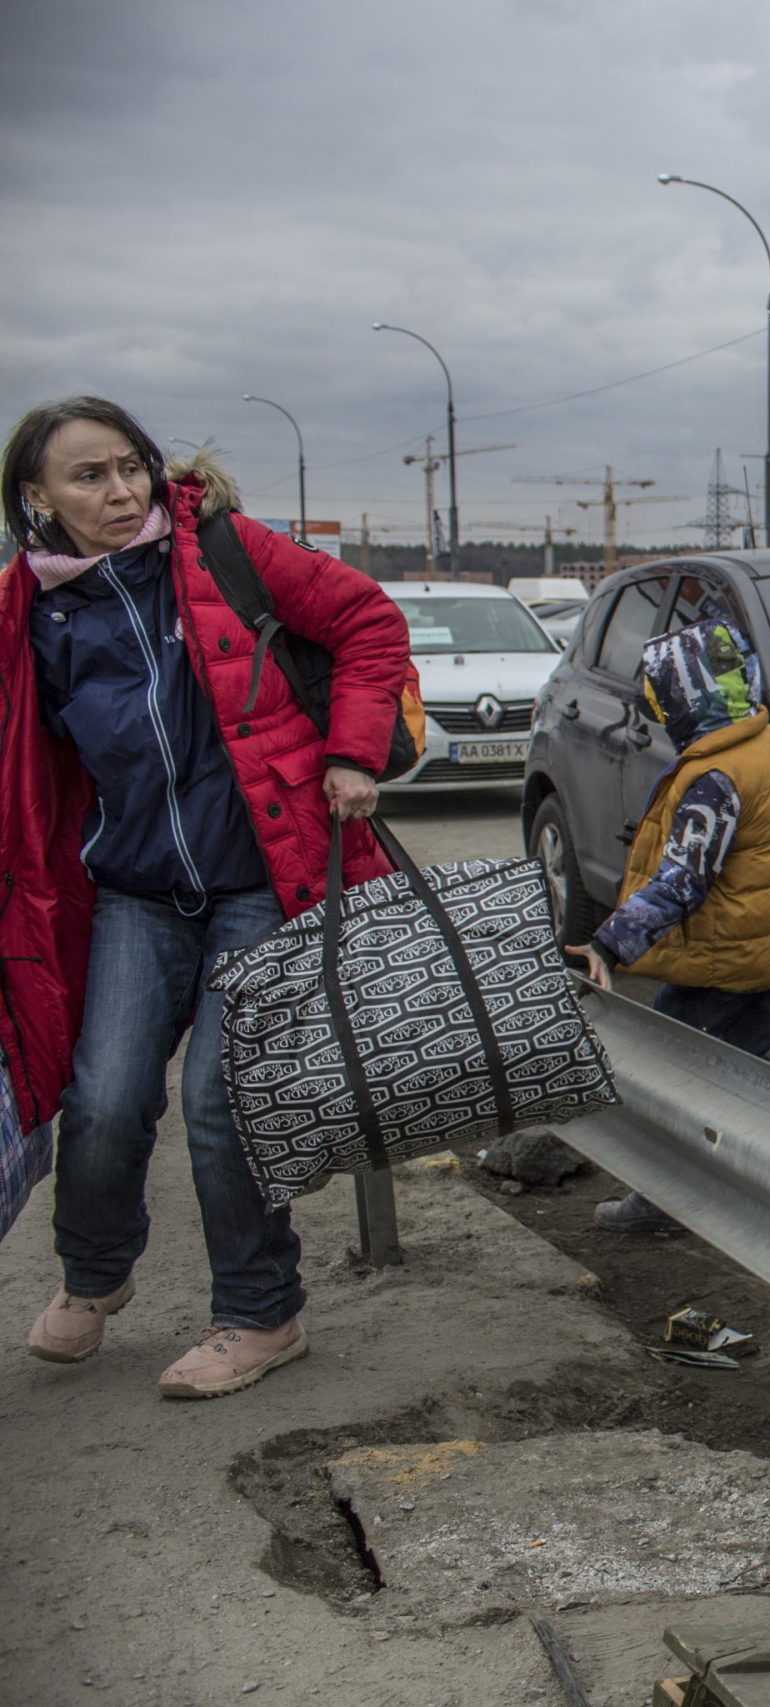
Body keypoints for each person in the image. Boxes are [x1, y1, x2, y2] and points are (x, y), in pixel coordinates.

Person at [0, 398, 413, 1398]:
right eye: (89, 476)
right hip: (135, 888)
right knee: (101, 1096)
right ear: (37, 497)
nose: (120, 490)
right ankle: (97, 1278)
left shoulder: (222, 551)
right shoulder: (31, 609)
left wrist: (354, 753)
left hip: (259, 880)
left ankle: (262, 1315)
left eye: (129, 467)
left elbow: (367, 620)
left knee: (219, 1102)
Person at [567, 618, 770, 1230]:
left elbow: (684, 879)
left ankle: (665, 1204)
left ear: (688, 697)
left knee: (681, 1084)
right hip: (760, 950)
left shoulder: (715, 778)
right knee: (741, 1075)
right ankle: (745, 1191)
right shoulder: (766, 743)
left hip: (722, 961)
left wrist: (611, 941)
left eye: (662, 696)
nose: (657, 711)